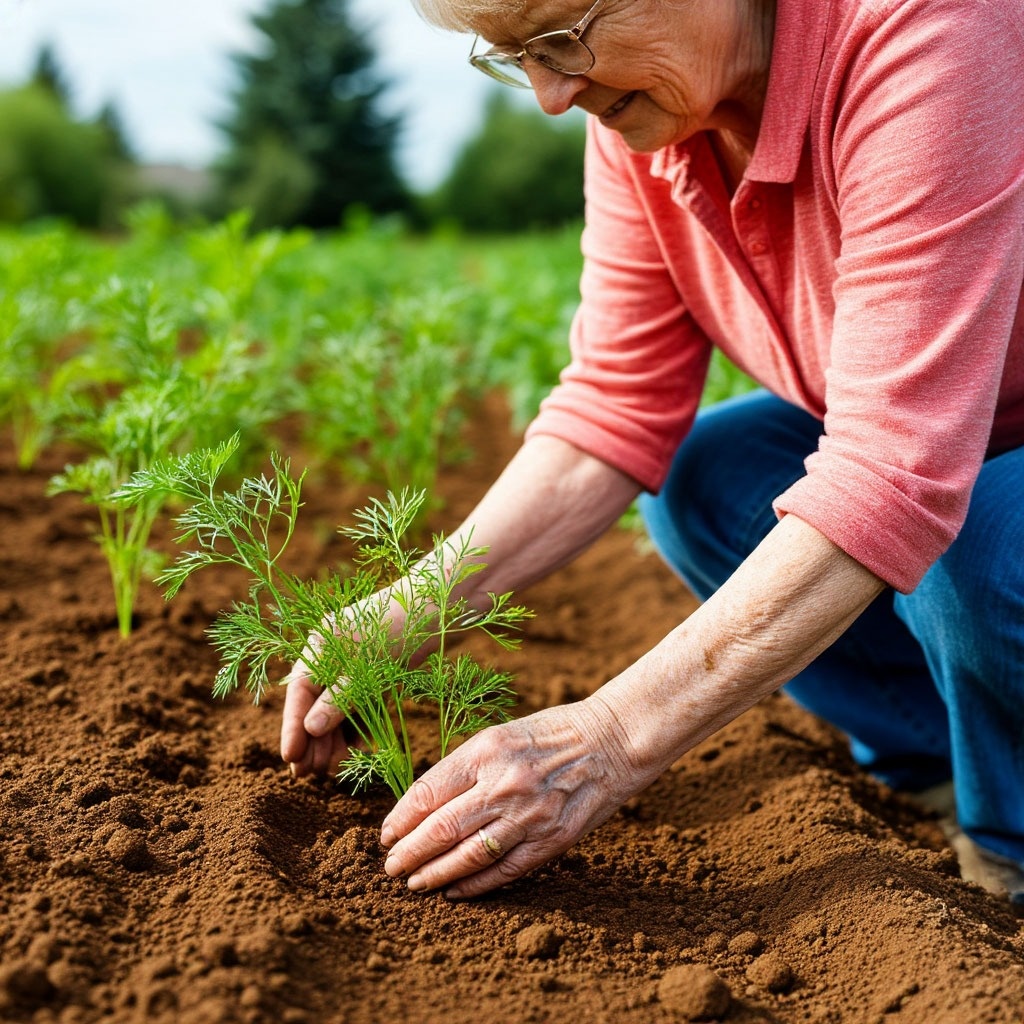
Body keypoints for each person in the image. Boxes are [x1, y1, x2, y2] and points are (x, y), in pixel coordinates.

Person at [281, 0, 1024, 906]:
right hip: (953, 436)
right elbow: (615, 401)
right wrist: (411, 609)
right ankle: (939, 757)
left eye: (560, 37)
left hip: (967, 459)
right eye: (514, 56)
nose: (552, 95)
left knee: (974, 553)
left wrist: (607, 740)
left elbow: (891, 473)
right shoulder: (653, 118)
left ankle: (1011, 841)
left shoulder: (933, 31)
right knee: (704, 478)